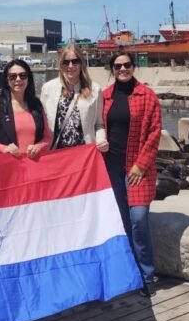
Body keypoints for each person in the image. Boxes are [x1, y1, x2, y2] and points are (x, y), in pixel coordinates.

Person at [101, 52, 162, 295]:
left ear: (133, 67)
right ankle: (129, 272)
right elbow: (96, 127)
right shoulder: (104, 97)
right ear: (112, 69)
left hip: (137, 168)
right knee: (121, 222)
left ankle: (147, 275)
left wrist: (141, 165)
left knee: (138, 219)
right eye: (118, 66)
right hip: (111, 167)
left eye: (127, 65)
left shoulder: (146, 96)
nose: (123, 69)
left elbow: (155, 133)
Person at [41, 44, 108, 152]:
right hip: (55, 153)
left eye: (75, 61)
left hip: (83, 154)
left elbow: (99, 124)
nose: (70, 66)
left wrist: (101, 140)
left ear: (81, 63)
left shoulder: (95, 89)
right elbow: (42, 125)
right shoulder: (48, 88)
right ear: (61, 64)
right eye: (66, 62)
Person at [0, 59, 51, 157]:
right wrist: (4, 148)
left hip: (33, 167)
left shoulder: (36, 105)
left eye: (22, 75)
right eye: (13, 76)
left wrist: (38, 147)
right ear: (7, 80)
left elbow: (47, 138)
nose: (18, 79)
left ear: (28, 79)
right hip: (7, 167)